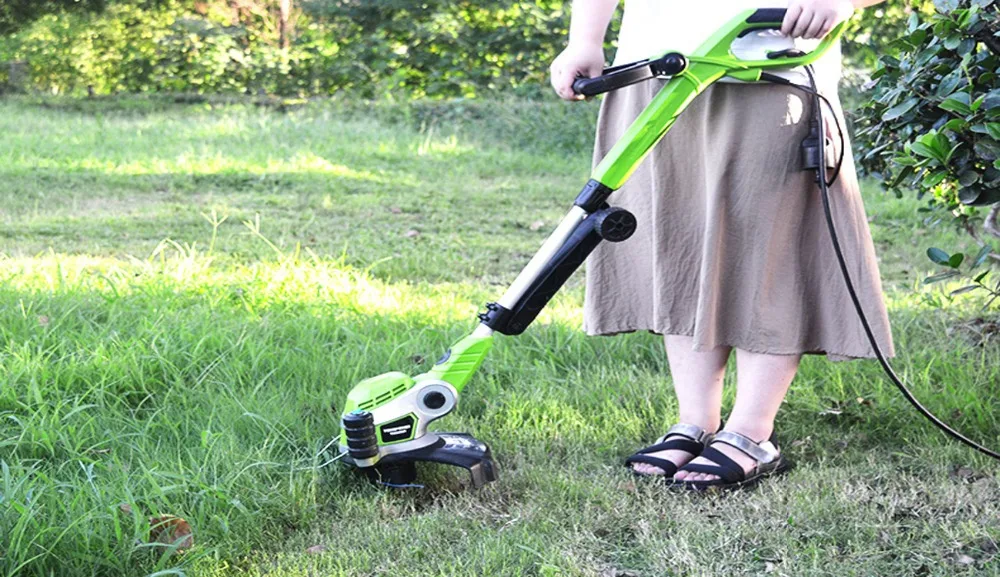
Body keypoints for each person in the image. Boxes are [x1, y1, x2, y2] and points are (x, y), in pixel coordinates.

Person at [549, 0, 893, 490]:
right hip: (656, 70)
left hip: (771, 67)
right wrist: (584, 37)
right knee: (677, 241)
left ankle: (752, 432)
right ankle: (695, 423)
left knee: (768, 250)